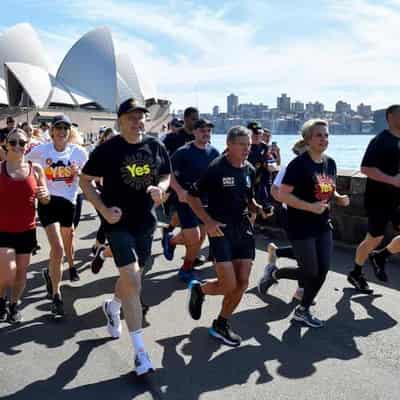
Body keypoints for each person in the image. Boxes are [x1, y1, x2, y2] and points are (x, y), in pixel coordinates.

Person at [80, 97, 171, 376]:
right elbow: (85, 181)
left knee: (133, 279)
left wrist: (160, 188)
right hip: (117, 222)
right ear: (119, 121)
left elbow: (166, 175)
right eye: (131, 117)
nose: (138, 121)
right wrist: (104, 211)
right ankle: (140, 353)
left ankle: (113, 305)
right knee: (132, 279)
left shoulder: (155, 145)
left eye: (141, 116)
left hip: (145, 222)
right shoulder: (108, 150)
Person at [260, 119, 349, 328]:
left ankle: (303, 310)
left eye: (326, 135)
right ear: (308, 140)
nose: (324, 139)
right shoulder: (299, 165)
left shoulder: (330, 163)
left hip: (322, 224)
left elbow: (328, 187)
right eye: (319, 135)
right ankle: (275, 273)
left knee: (323, 269)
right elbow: (282, 194)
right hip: (300, 225)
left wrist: (338, 197)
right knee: (310, 271)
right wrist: (310, 207)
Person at [186, 126, 261, 347]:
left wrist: (257, 207)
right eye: (241, 144)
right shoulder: (216, 168)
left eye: (248, 144)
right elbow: (192, 197)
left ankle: (221, 323)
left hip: (244, 229)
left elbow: (248, 197)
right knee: (228, 285)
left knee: (243, 282)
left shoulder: (249, 169)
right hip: (221, 231)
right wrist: (208, 222)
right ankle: (199, 288)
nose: (246, 148)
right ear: (229, 145)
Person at [27, 115, 88, 316]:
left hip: (68, 204)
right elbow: (24, 164)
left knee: (65, 244)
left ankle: (50, 273)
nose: (62, 131)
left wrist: (79, 173)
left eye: (65, 128)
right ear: (51, 131)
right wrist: (37, 181)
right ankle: (56, 295)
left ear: (70, 131)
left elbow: (91, 175)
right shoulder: (42, 150)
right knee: (58, 247)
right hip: (48, 202)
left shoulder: (78, 152)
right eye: (58, 128)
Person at [348, 105, 400, 293]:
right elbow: (366, 168)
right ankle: (356, 272)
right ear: (390, 117)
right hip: (379, 198)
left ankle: (381, 256)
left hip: (398, 199)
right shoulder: (380, 141)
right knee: (374, 238)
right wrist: (392, 180)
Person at [0, 128, 50, 323]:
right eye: (13, 142)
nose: (18, 146)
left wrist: (45, 196)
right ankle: (1, 299)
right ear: (6, 144)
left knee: (21, 272)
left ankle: (13, 305)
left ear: (28, 145)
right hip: (2, 230)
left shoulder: (35, 169)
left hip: (27, 229)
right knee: (7, 272)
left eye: (22, 143)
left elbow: (45, 199)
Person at [164, 119, 220, 282]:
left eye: (209, 130)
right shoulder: (184, 151)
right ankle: (185, 270)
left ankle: (173, 243)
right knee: (194, 237)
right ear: (194, 132)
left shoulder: (214, 152)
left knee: (200, 238)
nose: (206, 133)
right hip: (186, 199)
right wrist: (180, 190)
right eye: (202, 130)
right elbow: (169, 174)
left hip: (205, 200)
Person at [258, 139, 308, 301]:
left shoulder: (320, 165)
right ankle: (298, 289)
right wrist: (291, 203)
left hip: (314, 217)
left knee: (309, 254)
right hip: (294, 216)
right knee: (306, 257)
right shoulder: (291, 167)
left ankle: (276, 252)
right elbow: (275, 190)